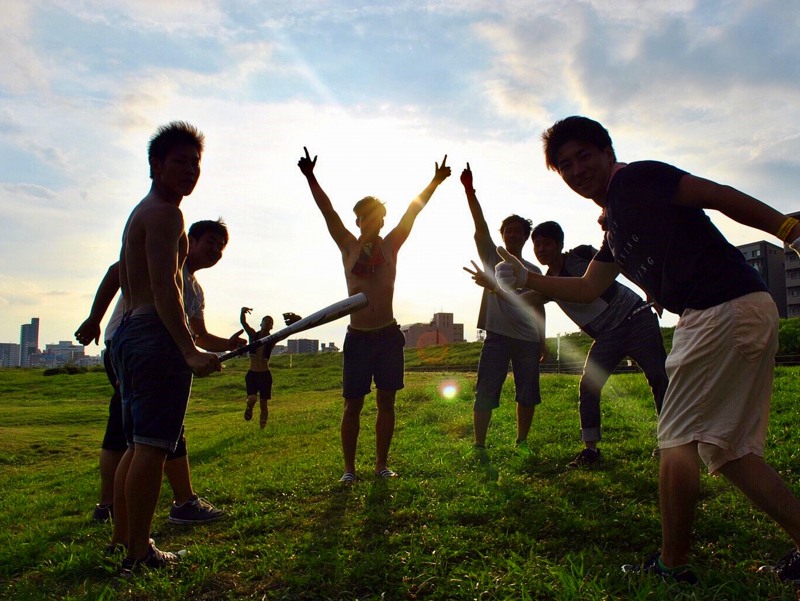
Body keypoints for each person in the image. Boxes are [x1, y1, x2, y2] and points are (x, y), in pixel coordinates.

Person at [492, 115, 800, 584]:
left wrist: (787, 228)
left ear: (606, 151)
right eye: (565, 164)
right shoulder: (614, 224)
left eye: (585, 156)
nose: (578, 170)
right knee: (728, 452)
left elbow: (714, 194)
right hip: (737, 309)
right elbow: (588, 285)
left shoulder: (638, 178)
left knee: (676, 439)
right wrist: (526, 278)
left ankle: (671, 566)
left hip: (720, 308)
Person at [298, 147, 451, 483]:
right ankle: (349, 470)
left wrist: (435, 182)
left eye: (381, 217)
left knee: (386, 402)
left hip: (387, 335)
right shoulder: (348, 246)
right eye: (371, 217)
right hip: (357, 338)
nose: (377, 222)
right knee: (352, 405)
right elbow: (328, 211)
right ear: (360, 221)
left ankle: (381, 465)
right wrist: (311, 177)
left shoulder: (390, 245)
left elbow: (414, 210)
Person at [76, 220, 244, 526]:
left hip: (162, 355)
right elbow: (118, 270)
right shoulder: (167, 257)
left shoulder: (194, 288)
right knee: (133, 434)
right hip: (133, 350)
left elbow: (199, 336)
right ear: (189, 239)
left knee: (151, 431)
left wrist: (230, 344)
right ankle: (118, 506)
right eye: (210, 241)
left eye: (221, 246)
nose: (216, 250)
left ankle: (155, 504)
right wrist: (94, 319)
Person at [111, 121, 221, 574]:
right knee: (153, 446)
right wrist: (189, 350)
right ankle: (139, 551)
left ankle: (123, 539)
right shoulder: (164, 214)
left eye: (195, 163)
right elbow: (165, 288)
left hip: (130, 334)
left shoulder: (146, 210)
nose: (190, 170)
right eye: (180, 161)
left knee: (138, 446)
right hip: (153, 335)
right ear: (156, 165)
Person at [530, 220, 668, 468]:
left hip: (636, 317)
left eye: (547, 243)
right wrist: (497, 287)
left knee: (658, 376)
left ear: (560, 245)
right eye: (536, 244)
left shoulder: (582, 254)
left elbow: (619, 264)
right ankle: (590, 450)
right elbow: (525, 298)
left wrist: (649, 288)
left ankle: (671, 441)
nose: (541, 249)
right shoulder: (549, 283)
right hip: (606, 336)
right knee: (588, 386)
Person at [459, 163, 546, 457]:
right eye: (507, 231)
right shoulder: (491, 257)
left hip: (528, 340)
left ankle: (522, 441)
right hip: (496, 337)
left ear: (525, 237)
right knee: (485, 392)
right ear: (503, 234)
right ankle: (479, 445)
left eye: (518, 231)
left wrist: (543, 340)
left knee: (527, 394)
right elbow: (479, 225)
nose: (512, 235)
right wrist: (470, 191)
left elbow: (539, 310)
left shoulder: (533, 271)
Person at [239, 308, 301, 428]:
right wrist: (242, 312)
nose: (267, 323)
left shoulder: (272, 339)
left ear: (272, 326)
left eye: (270, 322)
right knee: (252, 399)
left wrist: (295, 323)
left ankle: (262, 428)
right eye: (265, 321)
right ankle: (249, 407)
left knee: (263, 403)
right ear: (261, 323)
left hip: (265, 375)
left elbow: (286, 333)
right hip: (252, 373)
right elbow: (243, 323)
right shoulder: (253, 335)